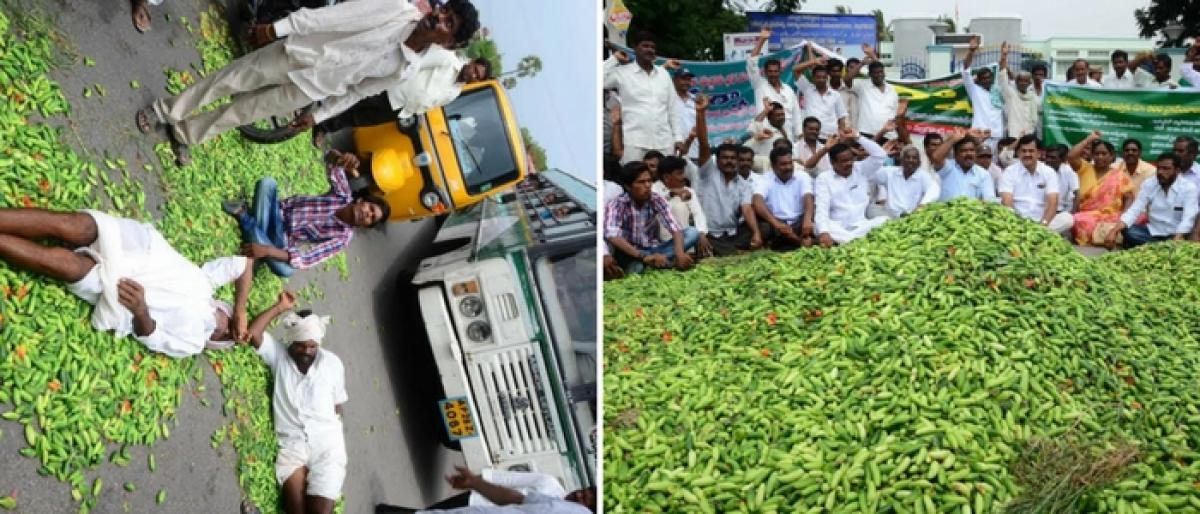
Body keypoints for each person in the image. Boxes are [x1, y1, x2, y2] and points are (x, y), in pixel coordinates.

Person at [136, 0, 478, 165]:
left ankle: (186, 134)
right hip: (299, 52)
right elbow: (335, 16)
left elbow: (356, 92)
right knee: (228, 81)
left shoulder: (405, 68)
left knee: (243, 112)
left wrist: (317, 116)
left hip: (310, 89)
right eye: (444, 11)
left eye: (448, 23)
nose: (439, 16)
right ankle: (164, 111)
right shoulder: (396, 9)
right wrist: (280, 28)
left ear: (448, 44)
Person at [242, 296, 347, 514]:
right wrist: (280, 307)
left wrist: (330, 431)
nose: (307, 351)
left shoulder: (333, 364)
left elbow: (338, 406)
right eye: (301, 346)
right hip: (293, 449)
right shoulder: (279, 357)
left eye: (312, 346)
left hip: (328, 447)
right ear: (291, 342)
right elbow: (254, 333)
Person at [228, 150, 389, 277]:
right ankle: (257, 241)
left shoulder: (342, 238)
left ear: (366, 226)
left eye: (372, 218)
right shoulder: (342, 194)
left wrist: (269, 251)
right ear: (361, 201)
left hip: (283, 238)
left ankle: (245, 217)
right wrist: (341, 158)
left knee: (286, 271)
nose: (367, 214)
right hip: (277, 211)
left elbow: (306, 260)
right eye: (370, 209)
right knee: (267, 184)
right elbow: (330, 159)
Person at [308, 55, 492, 146]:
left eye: (478, 76)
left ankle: (324, 128)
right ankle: (314, 109)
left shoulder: (456, 91)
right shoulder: (448, 60)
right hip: (392, 90)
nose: (474, 75)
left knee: (358, 120)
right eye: (476, 69)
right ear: (472, 62)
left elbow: (434, 104)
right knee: (351, 100)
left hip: (402, 109)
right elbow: (417, 63)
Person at [693, 95, 764, 256]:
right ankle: (732, 252)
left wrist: (756, 233)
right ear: (716, 160)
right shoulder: (708, 173)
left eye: (733, 158)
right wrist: (701, 113)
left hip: (732, 233)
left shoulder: (743, 184)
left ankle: (733, 249)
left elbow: (746, 209)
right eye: (724, 158)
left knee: (764, 228)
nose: (729, 162)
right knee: (715, 246)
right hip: (711, 233)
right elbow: (704, 144)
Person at [604, 161, 696, 274]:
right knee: (637, 269)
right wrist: (643, 257)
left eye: (649, 181)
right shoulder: (618, 204)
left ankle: (662, 260)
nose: (647, 185)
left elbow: (675, 228)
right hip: (632, 253)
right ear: (628, 186)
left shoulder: (656, 199)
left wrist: (680, 254)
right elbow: (612, 235)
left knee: (692, 232)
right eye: (641, 182)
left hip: (655, 247)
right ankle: (659, 262)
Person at [375, 466, 595, 513]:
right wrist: (476, 482)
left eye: (585, 499)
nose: (579, 494)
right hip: (473, 504)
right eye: (583, 491)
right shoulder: (549, 485)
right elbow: (511, 490)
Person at [603, 32, 678, 163]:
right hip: (634, 144)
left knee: (665, 182)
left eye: (652, 47)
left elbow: (673, 108)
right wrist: (614, 59)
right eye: (645, 46)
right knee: (634, 181)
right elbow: (597, 80)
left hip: (664, 143)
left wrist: (679, 138)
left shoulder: (663, 74)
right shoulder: (622, 73)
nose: (649, 50)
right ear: (635, 48)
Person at [810, 127, 892, 246]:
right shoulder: (824, 178)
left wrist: (858, 137)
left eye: (850, 159)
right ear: (833, 163)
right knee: (820, 227)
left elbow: (880, 155)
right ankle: (856, 242)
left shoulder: (861, 169)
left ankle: (850, 242)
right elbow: (821, 209)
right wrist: (823, 232)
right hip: (838, 227)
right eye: (843, 161)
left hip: (861, 225)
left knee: (885, 221)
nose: (849, 164)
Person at [1110, 153, 1200, 248]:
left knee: (1186, 239)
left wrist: (1177, 238)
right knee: (1128, 230)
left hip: (1177, 234)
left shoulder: (1189, 188)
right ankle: (1162, 247)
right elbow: (1134, 210)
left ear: (1177, 171)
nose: (1160, 172)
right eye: (1159, 168)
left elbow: (1188, 218)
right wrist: (1114, 231)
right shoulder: (1150, 184)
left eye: (1166, 169)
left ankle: (1156, 247)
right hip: (1152, 232)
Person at [1067, 132, 1134, 246]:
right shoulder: (1085, 168)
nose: (1100, 157)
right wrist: (1088, 139)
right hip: (1087, 215)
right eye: (1097, 154)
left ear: (1112, 156)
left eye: (1104, 153)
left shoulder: (1119, 175)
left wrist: (1124, 216)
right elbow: (1071, 156)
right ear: (1092, 156)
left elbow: (1129, 197)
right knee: (1079, 220)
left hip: (1112, 216)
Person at [998, 135, 1073, 235]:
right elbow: (1007, 202)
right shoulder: (1009, 172)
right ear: (1018, 153)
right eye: (1023, 151)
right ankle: (1033, 235)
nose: (1027, 154)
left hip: (1042, 222)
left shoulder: (1048, 172)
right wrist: (1016, 224)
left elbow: (1053, 202)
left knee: (1068, 219)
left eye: (1031, 151)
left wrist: (1043, 224)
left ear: (1039, 153)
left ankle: (1038, 233)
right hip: (1017, 221)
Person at [752, 147, 815, 250]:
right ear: (773, 166)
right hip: (776, 223)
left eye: (790, 163)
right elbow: (757, 201)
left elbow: (808, 197)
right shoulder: (765, 179)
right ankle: (798, 242)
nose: (789, 167)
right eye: (783, 164)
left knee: (815, 222)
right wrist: (777, 224)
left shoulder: (802, 176)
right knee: (764, 229)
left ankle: (799, 241)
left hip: (800, 222)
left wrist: (807, 220)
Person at [653, 156, 711, 258]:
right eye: (679, 173)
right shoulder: (654, 188)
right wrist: (671, 194)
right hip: (659, 243)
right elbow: (654, 204)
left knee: (694, 232)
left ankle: (685, 253)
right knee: (678, 207)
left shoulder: (688, 191)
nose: (684, 176)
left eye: (683, 172)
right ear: (666, 177)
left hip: (684, 241)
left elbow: (698, 213)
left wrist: (702, 233)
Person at [747, 27, 801, 130]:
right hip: (766, 135)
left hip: (786, 136)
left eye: (775, 71)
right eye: (770, 72)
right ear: (765, 73)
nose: (773, 74)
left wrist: (799, 134)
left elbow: (796, 115)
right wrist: (762, 40)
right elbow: (751, 64)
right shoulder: (759, 85)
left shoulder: (788, 90)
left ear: (780, 71)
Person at [930, 128, 998, 203]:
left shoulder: (983, 174)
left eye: (972, 150)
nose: (969, 153)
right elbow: (936, 157)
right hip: (945, 212)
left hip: (973, 213)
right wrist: (953, 139)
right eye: (963, 151)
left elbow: (990, 200)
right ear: (955, 154)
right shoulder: (947, 167)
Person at [792, 49, 849, 138]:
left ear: (827, 77)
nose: (821, 79)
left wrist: (841, 136)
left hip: (830, 137)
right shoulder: (807, 88)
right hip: (810, 136)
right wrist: (814, 61)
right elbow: (795, 70)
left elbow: (842, 118)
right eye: (818, 77)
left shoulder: (835, 95)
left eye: (823, 77)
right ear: (813, 78)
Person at [871, 145, 939, 218]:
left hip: (910, 217)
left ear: (919, 162)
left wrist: (922, 205)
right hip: (888, 216)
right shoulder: (890, 172)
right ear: (902, 160)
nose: (911, 160)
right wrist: (883, 155)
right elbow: (870, 173)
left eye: (914, 158)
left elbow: (934, 189)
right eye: (907, 157)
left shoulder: (923, 176)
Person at [845, 45, 898, 137]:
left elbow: (895, 112)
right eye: (875, 73)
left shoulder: (892, 88)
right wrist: (862, 63)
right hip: (867, 133)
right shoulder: (862, 85)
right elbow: (847, 79)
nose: (879, 75)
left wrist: (872, 55)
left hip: (889, 134)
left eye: (881, 72)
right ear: (870, 74)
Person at [961, 36, 1004, 146]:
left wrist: (1004, 56)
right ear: (978, 80)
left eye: (989, 77)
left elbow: (1003, 72)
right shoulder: (975, 90)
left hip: (996, 136)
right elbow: (965, 70)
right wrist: (971, 51)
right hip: (978, 136)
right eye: (984, 78)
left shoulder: (998, 91)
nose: (987, 80)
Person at [996, 42, 1038, 138]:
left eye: (1026, 81)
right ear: (1016, 82)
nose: (1023, 83)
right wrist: (1004, 56)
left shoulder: (1032, 97)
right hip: (1013, 136)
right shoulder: (1011, 94)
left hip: (1029, 135)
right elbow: (1002, 76)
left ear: (1029, 83)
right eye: (1020, 81)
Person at [746, 101, 792, 170]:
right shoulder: (765, 130)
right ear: (769, 118)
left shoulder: (786, 130)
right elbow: (754, 127)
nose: (781, 117)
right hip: (766, 168)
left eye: (782, 114)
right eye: (778, 115)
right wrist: (766, 111)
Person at [1045, 143, 1080, 215]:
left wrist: (1073, 215)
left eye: (1052, 157)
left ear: (1063, 159)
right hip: (1042, 210)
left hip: (1061, 212)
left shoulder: (1068, 172)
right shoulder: (1041, 170)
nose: (1048, 160)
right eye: (1047, 157)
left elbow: (1077, 195)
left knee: (1067, 221)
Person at [671, 68, 698, 160]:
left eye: (689, 80)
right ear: (674, 80)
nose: (686, 82)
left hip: (695, 152)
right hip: (673, 151)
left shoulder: (696, 100)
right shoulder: (668, 98)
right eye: (683, 79)